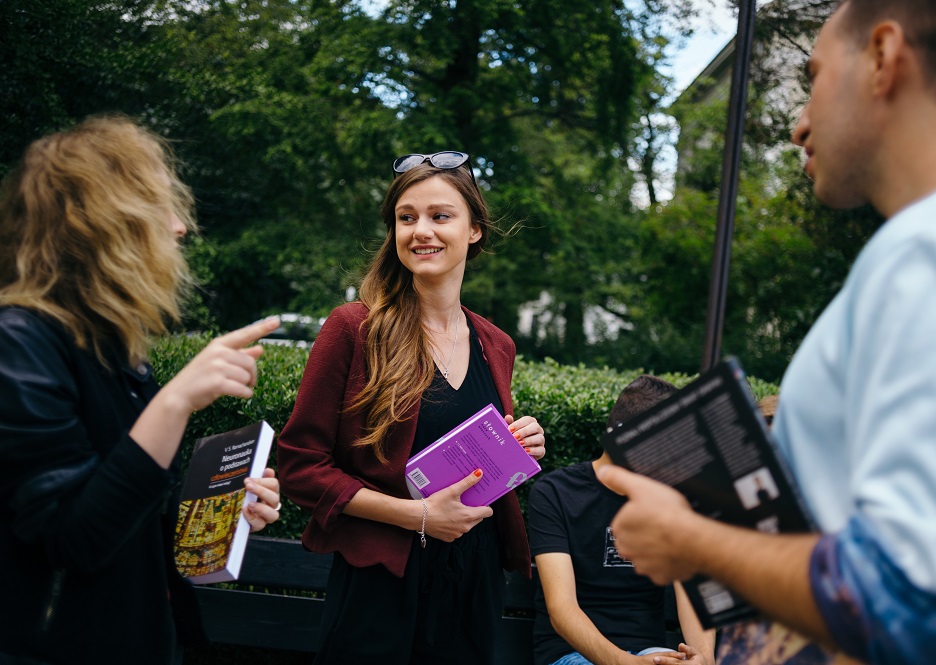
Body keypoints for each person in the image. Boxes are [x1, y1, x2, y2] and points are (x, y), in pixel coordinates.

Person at [598, 1, 936, 664]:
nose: (798, 123)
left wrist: (689, 538)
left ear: (883, 55)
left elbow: (928, 596)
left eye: (813, 75)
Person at [0, 116, 283, 664]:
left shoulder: (113, 349)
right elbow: (74, 540)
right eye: (162, 208)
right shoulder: (20, 344)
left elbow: (124, 518)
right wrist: (175, 401)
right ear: (105, 223)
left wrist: (219, 518)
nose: (180, 228)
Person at [277, 150, 546, 664]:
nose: (421, 230)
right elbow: (299, 467)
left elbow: (470, 461)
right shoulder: (354, 328)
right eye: (407, 218)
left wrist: (518, 446)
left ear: (474, 230)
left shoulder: (497, 344)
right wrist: (415, 516)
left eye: (440, 216)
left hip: (473, 581)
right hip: (382, 584)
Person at [529, 375, 715, 665]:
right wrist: (623, 663)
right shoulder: (555, 493)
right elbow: (562, 609)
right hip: (572, 655)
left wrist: (704, 659)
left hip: (649, 653)